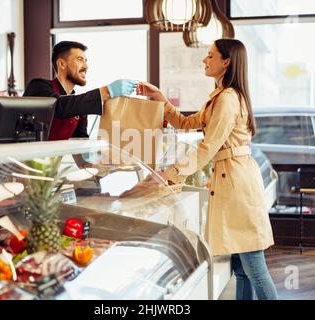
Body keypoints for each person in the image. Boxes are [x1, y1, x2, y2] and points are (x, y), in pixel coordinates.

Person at [137, 39, 278, 300]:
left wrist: (174, 172)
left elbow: (207, 147)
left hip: (237, 185)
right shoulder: (221, 97)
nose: (204, 60)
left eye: (210, 55)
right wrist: (161, 100)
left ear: (226, 62)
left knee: (254, 267)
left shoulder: (227, 100)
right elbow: (186, 122)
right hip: (233, 181)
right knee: (242, 270)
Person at [24, 41, 137, 140]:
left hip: (52, 164)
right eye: (80, 59)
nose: (86, 66)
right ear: (62, 64)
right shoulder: (38, 86)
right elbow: (58, 106)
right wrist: (107, 91)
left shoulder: (80, 107)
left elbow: (80, 141)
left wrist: (94, 161)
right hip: (20, 161)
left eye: (86, 61)